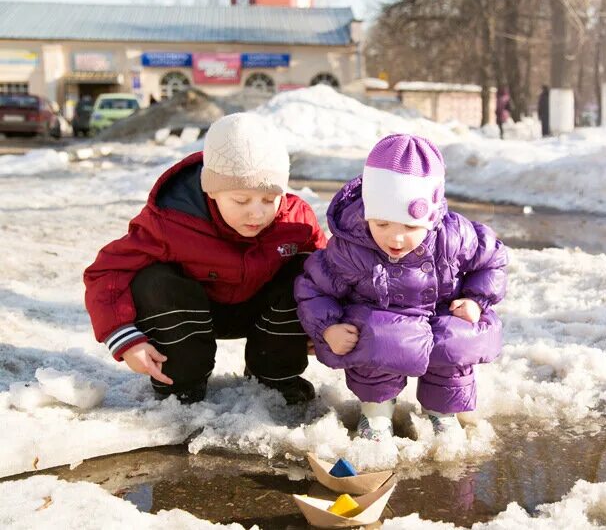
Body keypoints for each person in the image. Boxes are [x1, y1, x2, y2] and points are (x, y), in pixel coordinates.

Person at [84, 113, 326, 404]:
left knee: (307, 273)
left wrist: (325, 323)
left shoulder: (296, 222)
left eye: (269, 199)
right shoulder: (172, 220)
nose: (257, 212)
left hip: (260, 311)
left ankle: (274, 378)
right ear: (212, 189)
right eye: (241, 200)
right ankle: (181, 382)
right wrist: (124, 338)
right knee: (153, 279)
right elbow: (107, 271)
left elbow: (330, 276)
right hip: (192, 311)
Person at [295, 134, 507, 441]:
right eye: (382, 224)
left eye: (409, 227)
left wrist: (475, 300)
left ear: (432, 218)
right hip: (381, 326)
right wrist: (328, 327)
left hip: (438, 319)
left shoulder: (455, 236)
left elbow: (492, 260)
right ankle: (376, 413)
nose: (395, 238)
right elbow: (314, 287)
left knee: (455, 339)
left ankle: (443, 412)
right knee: (378, 336)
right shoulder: (352, 248)